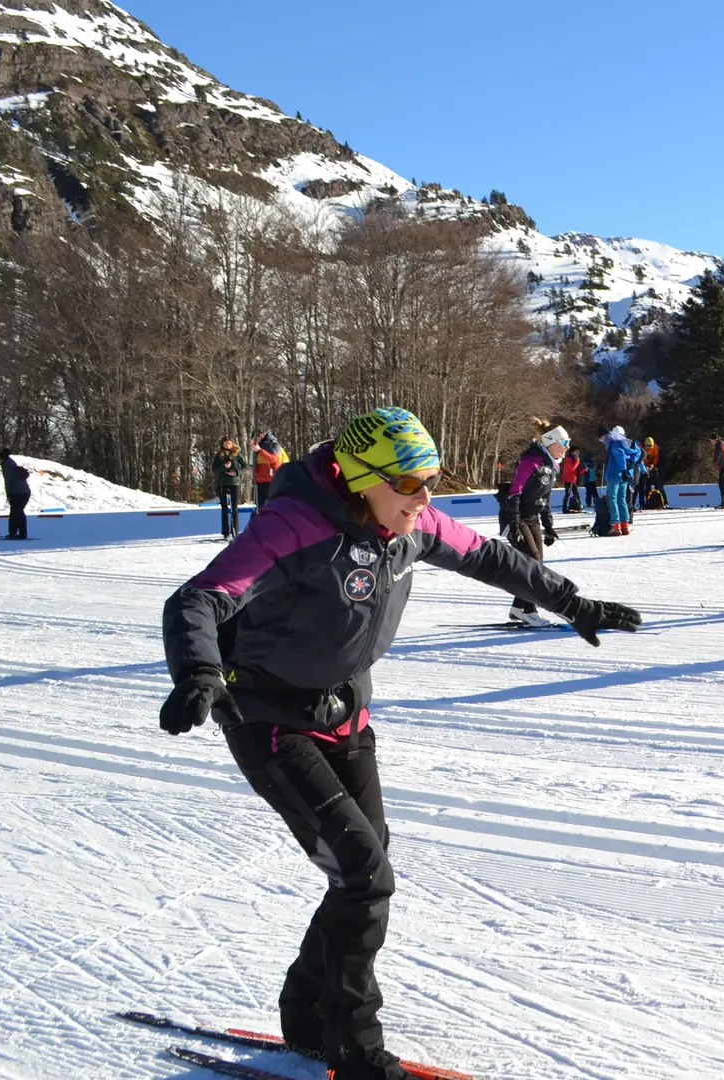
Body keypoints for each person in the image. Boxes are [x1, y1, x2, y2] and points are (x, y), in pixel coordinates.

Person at [159, 406, 641, 1080]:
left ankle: (306, 1012)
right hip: (270, 720)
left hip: (347, 718)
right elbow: (199, 599)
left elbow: (492, 557)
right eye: (411, 483)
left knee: (361, 870)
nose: (426, 499)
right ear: (362, 480)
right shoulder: (291, 524)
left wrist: (574, 603)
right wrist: (200, 672)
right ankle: (354, 1048)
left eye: (432, 481)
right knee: (363, 875)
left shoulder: (408, 525)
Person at [502, 421, 567, 626]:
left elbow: (544, 499)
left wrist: (548, 527)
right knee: (533, 563)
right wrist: (513, 527)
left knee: (536, 564)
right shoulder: (531, 460)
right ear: (550, 443)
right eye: (563, 442)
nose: (566, 447)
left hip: (532, 518)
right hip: (516, 516)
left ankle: (518, 608)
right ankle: (528, 611)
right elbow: (514, 493)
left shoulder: (551, 465)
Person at [211, 437, 246, 540]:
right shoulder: (219, 455)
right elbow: (214, 470)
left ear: (232, 444)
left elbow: (245, 467)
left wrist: (237, 472)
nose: (227, 446)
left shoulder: (237, 454)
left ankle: (235, 531)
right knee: (224, 508)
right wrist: (223, 468)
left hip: (235, 483)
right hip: (222, 483)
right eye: (225, 444)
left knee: (234, 508)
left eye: (229, 444)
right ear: (222, 445)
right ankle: (225, 533)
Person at [0, 450, 31, 540]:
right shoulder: (12, 464)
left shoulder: (8, 467)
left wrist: (8, 494)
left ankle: (13, 533)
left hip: (18, 492)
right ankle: (22, 533)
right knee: (19, 512)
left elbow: (8, 481)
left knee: (14, 513)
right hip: (24, 492)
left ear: (2, 458)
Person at [252, 432, 286, 508]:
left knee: (270, 505)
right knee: (260, 506)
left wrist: (260, 450)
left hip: (271, 479)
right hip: (260, 479)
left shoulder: (274, 444)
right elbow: (259, 462)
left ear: (260, 435)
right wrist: (253, 468)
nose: (255, 442)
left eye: (255, 439)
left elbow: (272, 458)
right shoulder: (259, 446)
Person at [559, 443, 583, 514]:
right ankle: (564, 508)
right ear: (572, 452)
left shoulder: (574, 459)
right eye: (576, 452)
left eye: (578, 452)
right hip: (568, 479)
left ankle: (579, 506)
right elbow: (572, 468)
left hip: (573, 479)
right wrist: (577, 461)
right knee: (568, 494)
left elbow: (577, 471)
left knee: (576, 493)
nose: (578, 453)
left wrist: (584, 469)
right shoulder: (569, 459)